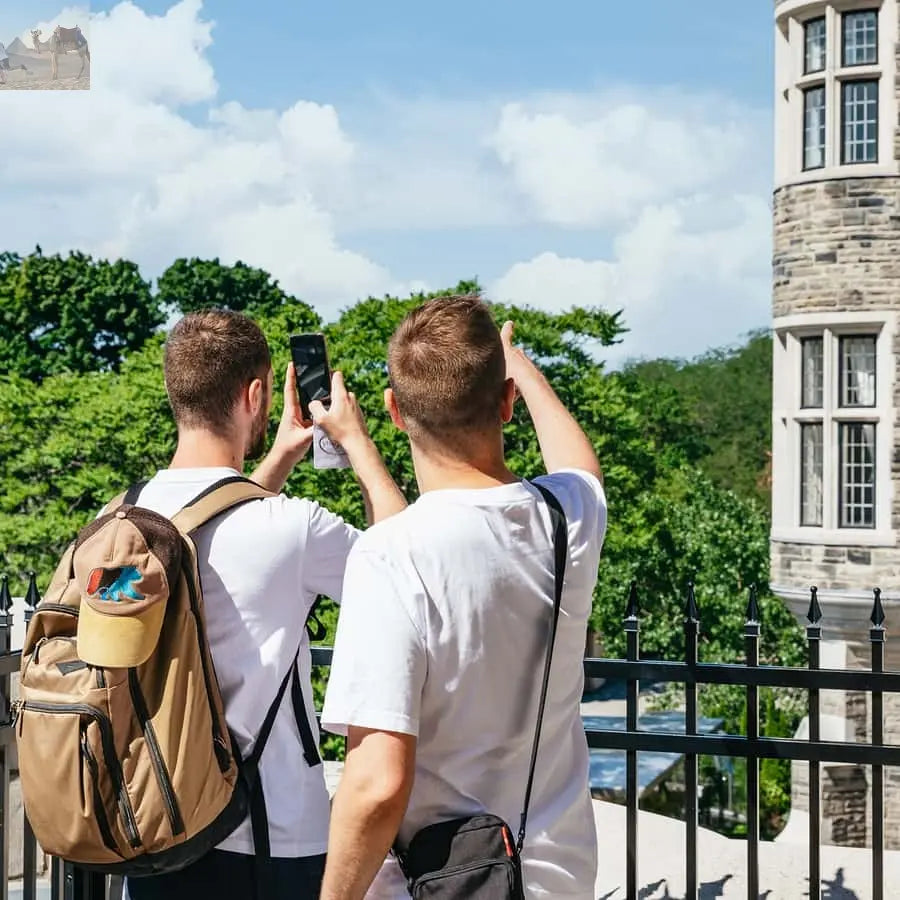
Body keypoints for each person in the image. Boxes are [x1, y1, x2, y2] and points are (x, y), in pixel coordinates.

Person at [320, 295, 607, 899]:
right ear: (505, 403)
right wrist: (521, 368)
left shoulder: (390, 555)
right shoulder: (568, 518)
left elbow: (377, 783)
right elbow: (581, 466)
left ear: (396, 411)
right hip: (558, 878)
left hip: (435, 884)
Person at [123, 309, 406, 900]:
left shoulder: (122, 517)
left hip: (153, 826)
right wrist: (355, 444)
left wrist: (273, 461)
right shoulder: (293, 528)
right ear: (256, 395)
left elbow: (213, 526)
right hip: (266, 839)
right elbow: (406, 568)